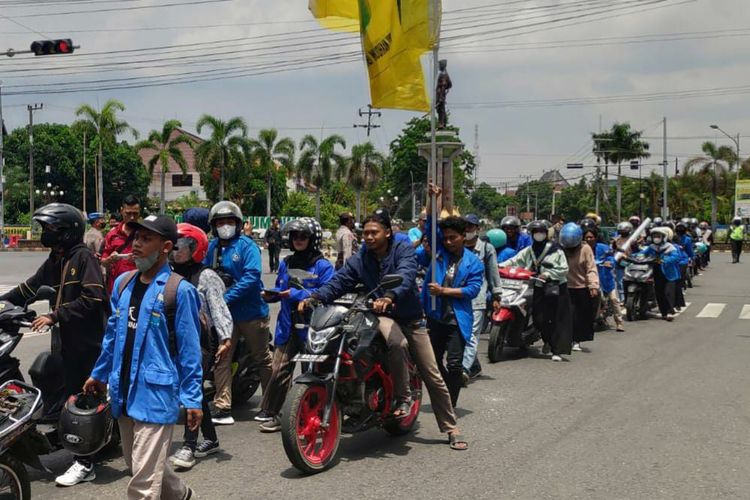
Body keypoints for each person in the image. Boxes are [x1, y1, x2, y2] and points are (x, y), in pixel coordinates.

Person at [302, 208, 469, 450]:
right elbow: (342, 279)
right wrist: (316, 297)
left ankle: (445, 424)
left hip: (408, 317)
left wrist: (390, 295)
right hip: (378, 315)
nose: (368, 237)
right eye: (366, 233)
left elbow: (406, 274)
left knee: (427, 369)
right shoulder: (362, 257)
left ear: (388, 233)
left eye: (374, 232)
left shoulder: (404, 250)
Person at [85, 214, 203, 499]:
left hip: (156, 394)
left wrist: (192, 399)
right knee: (138, 465)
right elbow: (113, 337)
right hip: (123, 391)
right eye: (136, 237)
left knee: (141, 486)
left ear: (165, 247)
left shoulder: (179, 291)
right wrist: (99, 374)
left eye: (146, 239)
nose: (136, 244)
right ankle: (181, 495)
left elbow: (190, 351)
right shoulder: (123, 284)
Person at [0, 203, 108, 487]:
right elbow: (29, 288)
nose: (45, 233)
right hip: (65, 338)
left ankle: (86, 463)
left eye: (51, 229)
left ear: (67, 232)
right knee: (51, 375)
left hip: (87, 341)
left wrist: (54, 315)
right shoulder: (56, 259)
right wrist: (2, 305)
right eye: (44, 228)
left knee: (80, 396)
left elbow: (93, 299)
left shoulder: (84, 258)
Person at [255, 218, 334, 432]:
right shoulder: (286, 263)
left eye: (303, 236)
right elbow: (281, 289)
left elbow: (328, 292)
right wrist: (270, 296)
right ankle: (274, 413)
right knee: (279, 369)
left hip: (314, 326)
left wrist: (301, 295)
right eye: (295, 236)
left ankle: (314, 414)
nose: (298, 240)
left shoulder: (322, 265)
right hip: (287, 324)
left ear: (313, 239)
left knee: (313, 371)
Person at [168, 223, 233, 470]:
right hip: (177, 341)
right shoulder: (169, 273)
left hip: (202, 342)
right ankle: (212, 439)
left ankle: (188, 446)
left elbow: (219, 308)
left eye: (180, 247)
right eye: (173, 247)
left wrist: (226, 339)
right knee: (192, 392)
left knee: (191, 389)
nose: (175, 251)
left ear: (196, 248)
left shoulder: (206, 276)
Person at [205, 201, 273, 425]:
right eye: (220, 222)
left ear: (237, 223)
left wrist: (224, 299)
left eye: (229, 221)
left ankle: (272, 404)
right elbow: (205, 274)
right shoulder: (212, 247)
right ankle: (223, 405)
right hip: (224, 317)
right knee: (222, 358)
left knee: (262, 358)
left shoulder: (247, 246)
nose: (225, 225)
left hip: (251, 313)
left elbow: (251, 277)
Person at [420, 185, 483, 408]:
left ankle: (449, 405)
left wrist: (444, 291)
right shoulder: (439, 252)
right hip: (436, 317)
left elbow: (472, 290)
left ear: (463, 236)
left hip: (457, 320)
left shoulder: (473, 262)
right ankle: (445, 393)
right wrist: (433, 199)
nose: (448, 242)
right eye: (445, 238)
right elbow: (429, 226)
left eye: (453, 238)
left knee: (455, 364)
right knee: (433, 364)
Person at [500, 220, 571, 362]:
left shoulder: (556, 249)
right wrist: (499, 266)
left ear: (546, 233)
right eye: (535, 232)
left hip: (556, 289)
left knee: (557, 319)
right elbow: (515, 260)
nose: (538, 235)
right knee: (539, 318)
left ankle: (557, 350)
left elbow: (564, 269)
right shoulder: (530, 250)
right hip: (537, 287)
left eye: (541, 232)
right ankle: (547, 341)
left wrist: (548, 274)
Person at [461, 213, 501, 383]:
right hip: (458, 297)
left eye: (470, 226)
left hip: (477, 299)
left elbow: (493, 273)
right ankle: (474, 366)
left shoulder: (486, 248)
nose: (467, 229)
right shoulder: (456, 245)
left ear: (477, 229)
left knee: (471, 335)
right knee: (460, 335)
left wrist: (496, 295)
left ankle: (463, 369)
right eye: (465, 226)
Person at [560, 223, 599, 352]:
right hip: (565, 286)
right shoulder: (560, 248)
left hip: (581, 287)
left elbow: (591, 268)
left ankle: (577, 340)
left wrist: (593, 285)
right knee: (565, 315)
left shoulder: (585, 249)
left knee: (579, 317)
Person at [638, 227, 680, 321]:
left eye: (658, 236)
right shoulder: (651, 247)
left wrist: (664, 260)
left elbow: (676, 257)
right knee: (659, 293)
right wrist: (634, 256)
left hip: (669, 274)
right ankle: (664, 313)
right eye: (654, 236)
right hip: (656, 272)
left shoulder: (670, 247)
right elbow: (643, 254)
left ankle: (670, 312)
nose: (656, 238)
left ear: (663, 237)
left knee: (667, 293)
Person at [101, 195, 141, 293]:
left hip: (139, 286)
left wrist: (140, 259)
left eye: (135, 214)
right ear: (122, 211)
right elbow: (103, 261)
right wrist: (109, 260)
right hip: (116, 287)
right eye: (128, 213)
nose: (132, 217)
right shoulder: (112, 234)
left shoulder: (145, 233)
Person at [587, 229, 624, 332]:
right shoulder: (583, 249)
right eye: (587, 237)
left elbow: (611, 258)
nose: (589, 239)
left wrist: (608, 262)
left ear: (595, 238)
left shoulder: (603, 248)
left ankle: (619, 322)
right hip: (590, 281)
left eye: (591, 237)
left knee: (614, 299)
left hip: (606, 280)